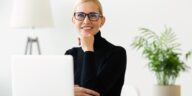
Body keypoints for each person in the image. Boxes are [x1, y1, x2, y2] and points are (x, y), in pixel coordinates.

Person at [65, 0, 127, 96]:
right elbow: (58, 89)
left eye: (93, 15)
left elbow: (91, 93)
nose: (86, 21)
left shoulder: (117, 53)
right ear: (74, 20)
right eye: (80, 15)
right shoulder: (70, 55)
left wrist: (88, 50)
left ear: (102, 21)